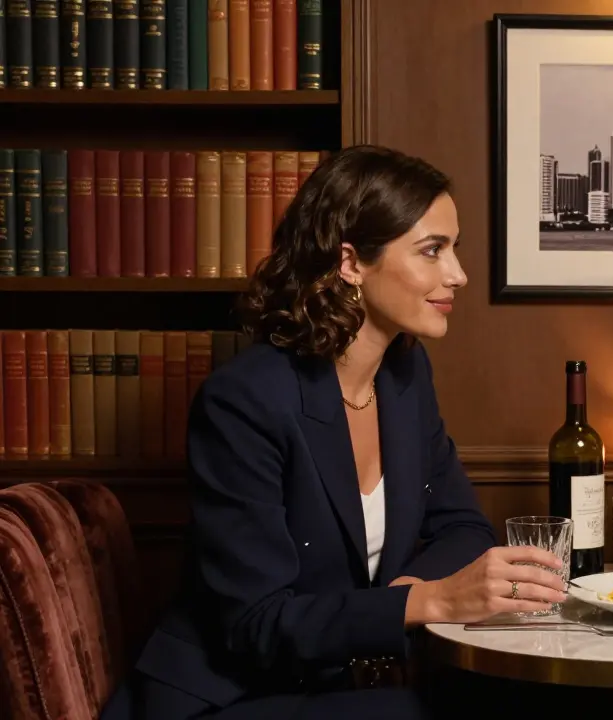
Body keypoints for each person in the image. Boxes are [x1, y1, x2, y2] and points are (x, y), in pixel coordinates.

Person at [101, 145, 568, 720]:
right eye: (432, 251)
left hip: (345, 687)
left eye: (455, 248)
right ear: (351, 262)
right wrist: (428, 600)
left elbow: (465, 527)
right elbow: (256, 623)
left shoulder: (404, 375)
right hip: (229, 696)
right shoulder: (245, 400)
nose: (458, 274)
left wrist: (404, 594)